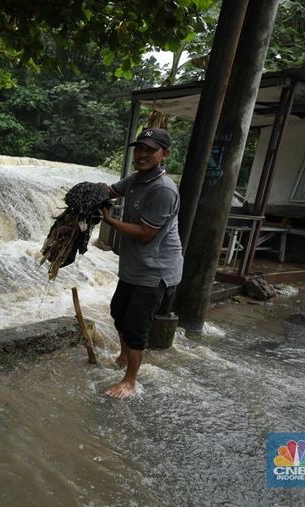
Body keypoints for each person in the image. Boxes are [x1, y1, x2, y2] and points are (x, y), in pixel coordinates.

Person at [99, 127, 183, 399]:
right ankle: (124, 356)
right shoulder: (136, 179)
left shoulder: (163, 190)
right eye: (140, 149)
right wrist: (90, 192)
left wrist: (111, 221)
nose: (143, 154)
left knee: (136, 325)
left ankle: (130, 381)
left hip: (155, 269)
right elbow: (111, 191)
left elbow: (147, 234)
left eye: (150, 150)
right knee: (118, 312)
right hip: (134, 267)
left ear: (164, 154)